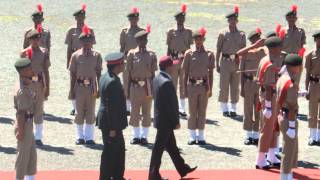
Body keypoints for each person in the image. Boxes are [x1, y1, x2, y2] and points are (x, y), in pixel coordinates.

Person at [149, 55, 197, 180]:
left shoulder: (157, 78)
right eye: (173, 65)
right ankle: (153, 175)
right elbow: (172, 104)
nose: (176, 66)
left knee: (172, 146)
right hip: (166, 121)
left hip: (161, 119)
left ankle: (182, 168)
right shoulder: (167, 82)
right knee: (158, 149)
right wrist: (176, 121)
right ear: (169, 67)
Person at [68, 25, 102, 145]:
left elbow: (98, 73)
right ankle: (79, 136)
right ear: (80, 42)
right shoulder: (76, 55)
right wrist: (71, 90)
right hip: (79, 87)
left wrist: (99, 89)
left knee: (90, 112)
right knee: (79, 112)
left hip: (91, 87)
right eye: (85, 41)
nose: (87, 43)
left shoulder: (97, 55)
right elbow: (72, 74)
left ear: (92, 41)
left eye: (89, 40)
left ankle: (89, 137)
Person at [255, 36, 285, 169]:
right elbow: (267, 86)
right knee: (267, 129)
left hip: (274, 96)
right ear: (273, 48)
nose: (281, 49)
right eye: (279, 47)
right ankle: (260, 159)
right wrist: (267, 106)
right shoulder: (269, 64)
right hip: (269, 97)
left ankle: (272, 156)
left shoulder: (272, 59)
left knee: (274, 127)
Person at [97, 52, 128, 180]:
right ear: (118, 65)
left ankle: (117, 176)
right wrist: (113, 128)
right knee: (110, 153)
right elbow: (113, 108)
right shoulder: (113, 81)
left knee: (119, 151)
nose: (124, 65)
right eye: (123, 63)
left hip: (108, 121)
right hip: (111, 124)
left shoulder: (106, 77)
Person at [125, 25, 157, 145]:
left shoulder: (152, 54)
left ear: (147, 41)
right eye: (140, 40)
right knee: (134, 112)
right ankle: (135, 135)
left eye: (145, 39)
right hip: (135, 86)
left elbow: (153, 74)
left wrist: (153, 90)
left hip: (147, 87)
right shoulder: (131, 54)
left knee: (147, 112)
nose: (143, 42)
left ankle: (144, 136)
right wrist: (127, 91)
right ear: (137, 41)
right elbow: (127, 74)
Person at [182, 27, 214, 145]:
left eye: (200, 39)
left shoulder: (209, 54)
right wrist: (184, 89)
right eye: (196, 39)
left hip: (204, 86)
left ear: (204, 39)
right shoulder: (189, 54)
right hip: (192, 85)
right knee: (192, 111)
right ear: (193, 40)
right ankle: (191, 135)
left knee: (202, 111)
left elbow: (210, 73)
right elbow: (185, 73)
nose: (198, 41)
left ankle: (200, 136)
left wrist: (210, 88)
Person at [276, 53, 304, 180]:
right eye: (299, 66)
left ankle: (287, 174)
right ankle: (285, 175)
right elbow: (292, 107)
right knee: (288, 149)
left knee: (289, 147)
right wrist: (292, 126)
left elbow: (286, 96)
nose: (300, 69)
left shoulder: (282, 77)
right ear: (294, 67)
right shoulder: (291, 83)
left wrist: (298, 93)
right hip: (289, 118)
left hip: (282, 114)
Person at [20, 29, 50, 146]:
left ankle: (38, 137)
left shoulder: (44, 52)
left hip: (39, 84)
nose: (36, 41)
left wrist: (47, 87)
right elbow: (21, 72)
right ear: (29, 40)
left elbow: (46, 70)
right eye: (33, 39)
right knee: (28, 109)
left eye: (38, 39)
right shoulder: (24, 53)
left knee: (38, 109)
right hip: (27, 84)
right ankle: (28, 134)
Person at [65, 4, 96, 116]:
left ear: (84, 18)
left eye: (82, 17)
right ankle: (74, 107)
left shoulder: (90, 30)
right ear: (76, 18)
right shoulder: (71, 30)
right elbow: (69, 48)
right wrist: (68, 62)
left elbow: (92, 46)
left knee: (87, 81)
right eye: (78, 17)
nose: (80, 19)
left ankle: (87, 105)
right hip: (75, 58)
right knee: (73, 82)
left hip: (86, 58)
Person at [237, 28, 266, 145]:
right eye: (254, 40)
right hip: (248, 84)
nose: (256, 42)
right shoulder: (246, 53)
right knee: (248, 110)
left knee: (259, 110)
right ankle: (249, 135)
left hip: (260, 84)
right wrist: (242, 87)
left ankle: (257, 135)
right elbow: (242, 72)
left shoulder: (264, 52)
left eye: (257, 39)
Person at [216, 5, 246, 117]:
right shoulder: (223, 33)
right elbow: (218, 49)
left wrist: (241, 63)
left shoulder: (242, 34)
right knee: (224, 85)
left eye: (234, 20)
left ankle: (233, 108)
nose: (232, 21)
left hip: (236, 61)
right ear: (228, 21)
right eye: (231, 20)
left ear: (237, 21)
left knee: (235, 85)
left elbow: (244, 51)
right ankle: (224, 108)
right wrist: (217, 64)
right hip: (225, 61)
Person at [166, 4, 193, 118]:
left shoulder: (188, 32)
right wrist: (167, 61)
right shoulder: (171, 31)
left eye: (182, 18)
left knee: (183, 85)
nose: (180, 20)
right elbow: (168, 47)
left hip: (183, 60)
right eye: (178, 18)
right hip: (173, 60)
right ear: (176, 19)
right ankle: (172, 107)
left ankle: (182, 109)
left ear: (184, 19)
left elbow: (190, 47)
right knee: (173, 84)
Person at [14, 58, 37, 180]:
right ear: (22, 72)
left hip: (28, 123)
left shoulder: (25, 82)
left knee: (31, 155)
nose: (31, 70)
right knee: (23, 157)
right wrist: (21, 131)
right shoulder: (22, 90)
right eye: (28, 69)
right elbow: (21, 113)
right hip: (24, 124)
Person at [120, 7, 144, 115]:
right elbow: (122, 47)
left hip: (138, 60)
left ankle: (136, 105)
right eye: (131, 19)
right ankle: (127, 107)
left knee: (137, 82)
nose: (133, 21)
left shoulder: (141, 31)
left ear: (138, 19)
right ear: (129, 19)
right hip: (126, 60)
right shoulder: (124, 31)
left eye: (135, 19)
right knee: (126, 83)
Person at [305, 31, 320, 146]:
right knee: (312, 111)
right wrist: (306, 89)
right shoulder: (310, 55)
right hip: (314, 84)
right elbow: (307, 74)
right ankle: (312, 136)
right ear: (315, 40)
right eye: (318, 39)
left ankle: (318, 136)